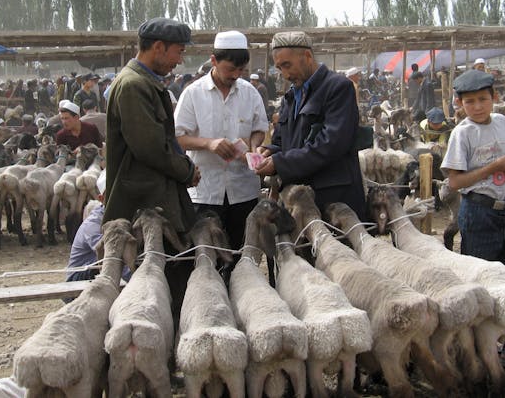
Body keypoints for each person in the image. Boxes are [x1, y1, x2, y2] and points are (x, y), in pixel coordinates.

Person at [103, 17, 200, 320]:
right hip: (146, 203)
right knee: (158, 286)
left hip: (155, 196)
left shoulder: (145, 84)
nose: (179, 60)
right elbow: (150, 149)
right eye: (178, 52)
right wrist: (187, 171)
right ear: (158, 47)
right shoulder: (134, 86)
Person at [440, 70, 505, 366]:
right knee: (480, 286)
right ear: (459, 103)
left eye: (483, 99)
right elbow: (455, 182)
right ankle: (479, 355)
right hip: (477, 212)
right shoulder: (462, 133)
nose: (478, 106)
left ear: (494, 97)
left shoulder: (504, 123)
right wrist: (495, 166)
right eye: (470, 102)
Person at [174, 30, 268, 257]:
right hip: (206, 192)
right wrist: (208, 144)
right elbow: (177, 137)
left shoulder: (250, 93)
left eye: (241, 70)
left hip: (243, 191)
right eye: (230, 69)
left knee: (242, 255)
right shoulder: (193, 94)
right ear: (213, 60)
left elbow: (259, 129)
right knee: (207, 257)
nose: (236, 74)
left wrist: (254, 147)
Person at [255, 31, 366, 218]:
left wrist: (279, 163)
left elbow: (331, 144)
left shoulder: (338, 88)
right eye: (279, 67)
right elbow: (282, 140)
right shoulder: (290, 96)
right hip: (299, 202)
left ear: (307, 56)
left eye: (287, 65)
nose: (285, 74)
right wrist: (270, 151)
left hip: (334, 202)